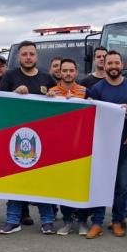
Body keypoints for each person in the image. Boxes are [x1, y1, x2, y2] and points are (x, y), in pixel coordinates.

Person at [0, 40, 57, 234]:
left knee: (42, 180)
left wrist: (53, 97)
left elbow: (59, 105)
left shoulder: (47, 78)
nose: (28, 57)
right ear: (19, 57)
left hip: (42, 137)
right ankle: (13, 220)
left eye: (31, 54)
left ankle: (47, 221)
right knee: (16, 179)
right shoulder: (10, 76)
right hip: (15, 135)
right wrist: (14, 94)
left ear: (36, 56)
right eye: (24, 54)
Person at [87, 50, 127, 238]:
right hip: (103, 145)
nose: (113, 67)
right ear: (104, 65)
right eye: (110, 63)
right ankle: (97, 222)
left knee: (122, 186)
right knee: (101, 184)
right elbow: (92, 117)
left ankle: (117, 221)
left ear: (122, 65)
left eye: (117, 63)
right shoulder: (96, 89)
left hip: (125, 144)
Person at [49, 58, 89, 236]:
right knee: (64, 185)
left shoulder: (85, 91)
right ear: (60, 73)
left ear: (76, 72)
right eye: (64, 70)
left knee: (81, 184)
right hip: (60, 146)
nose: (68, 74)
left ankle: (82, 221)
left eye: (71, 70)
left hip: (81, 145)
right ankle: (67, 221)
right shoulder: (51, 92)